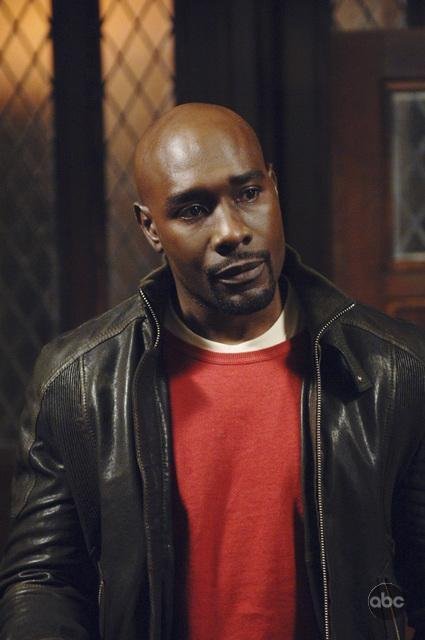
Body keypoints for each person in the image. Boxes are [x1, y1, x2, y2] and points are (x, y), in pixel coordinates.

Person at [0, 103, 424, 640]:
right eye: (194, 210)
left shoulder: (395, 368)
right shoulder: (78, 381)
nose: (231, 231)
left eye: (248, 194)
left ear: (274, 188)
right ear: (150, 228)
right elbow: (44, 582)